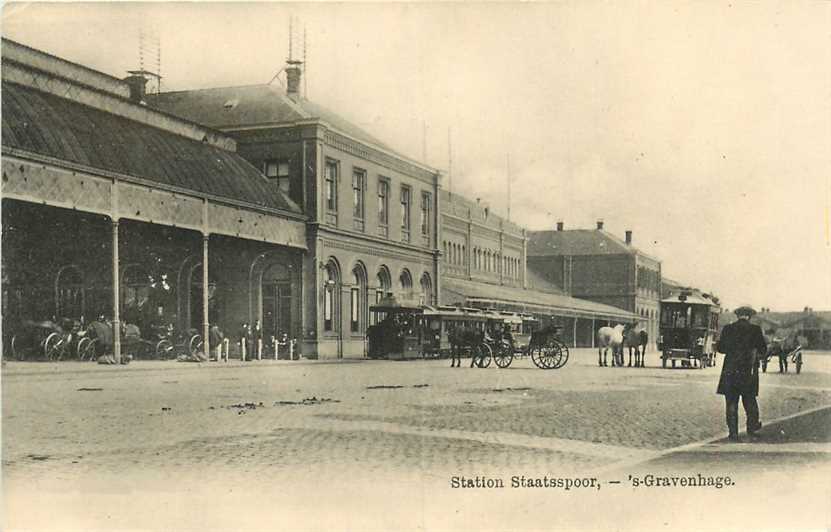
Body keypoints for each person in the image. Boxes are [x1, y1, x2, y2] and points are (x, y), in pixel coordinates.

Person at [716, 306, 767, 442]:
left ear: (737, 315)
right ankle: (752, 428)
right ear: (749, 316)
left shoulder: (728, 328)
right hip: (748, 370)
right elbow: (763, 349)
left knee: (731, 402)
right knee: (749, 400)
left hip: (730, 371)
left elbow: (721, 349)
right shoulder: (755, 329)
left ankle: (733, 434)